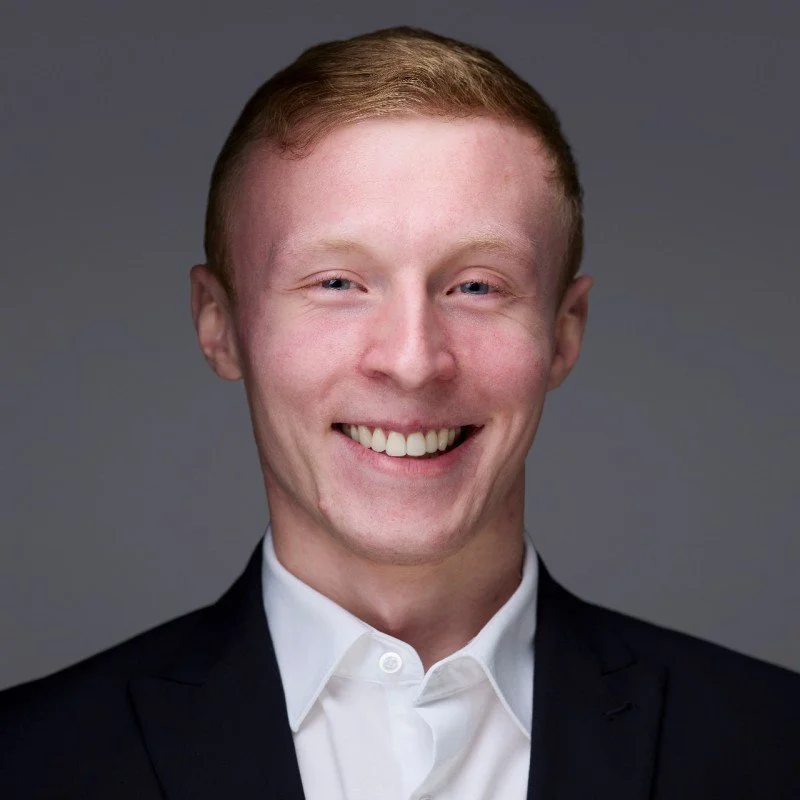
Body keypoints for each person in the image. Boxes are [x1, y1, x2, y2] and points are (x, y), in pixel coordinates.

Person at [1, 25, 798, 800]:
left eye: (476, 286)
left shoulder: (776, 748)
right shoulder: (27, 761)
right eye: (338, 283)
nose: (413, 362)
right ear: (219, 324)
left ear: (563, 333)